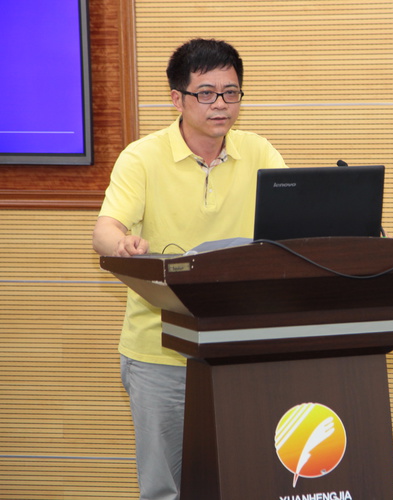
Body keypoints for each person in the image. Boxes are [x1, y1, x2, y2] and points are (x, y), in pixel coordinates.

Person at [92, 38, 286, 500]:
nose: (221, 104)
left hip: (240, 345)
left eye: (231, 92)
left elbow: (292, 225)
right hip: (161, 351)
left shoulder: (259, 152)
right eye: (206, 93)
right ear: (177, 99)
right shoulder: (142, 157)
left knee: (247, 480)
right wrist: (122, 243)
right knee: (167, 488)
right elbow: (105, 229)